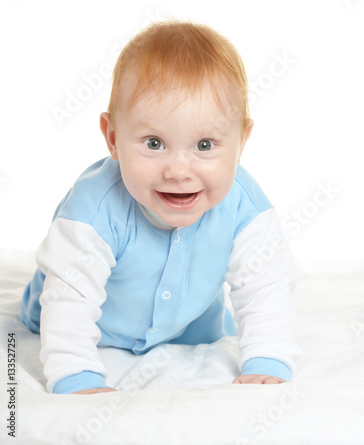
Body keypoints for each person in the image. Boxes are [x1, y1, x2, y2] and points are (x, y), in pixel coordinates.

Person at [20, 20, 300, 394]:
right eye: (154, 143)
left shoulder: (245, 208)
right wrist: (75, 373)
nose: (179, 171)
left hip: (191, 325)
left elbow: (265, 285)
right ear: (113, 138)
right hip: (89, 321)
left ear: (241, 141)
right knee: (59, 298)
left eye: (204, 145)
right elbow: (70, 295)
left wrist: (267, 357)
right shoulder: (93, 211)